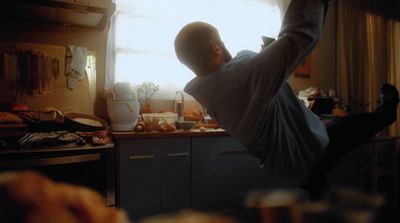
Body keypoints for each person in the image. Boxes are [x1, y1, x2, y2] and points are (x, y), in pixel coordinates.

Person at [174, 0, 399, 199]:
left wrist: (266, 60)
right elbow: (299, 35)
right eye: (221, 42)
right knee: (348, 127)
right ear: (215, 48)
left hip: (289, 166)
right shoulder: (243, 77)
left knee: (318, 189)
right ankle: (388, 113)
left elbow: (260, 96)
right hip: (307, 155)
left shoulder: (211, 96)